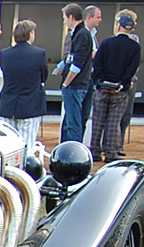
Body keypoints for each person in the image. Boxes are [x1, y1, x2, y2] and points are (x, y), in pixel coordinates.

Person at [88, 14, 141, 163]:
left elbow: (97, 63)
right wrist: (123, 83)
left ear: (119, 26)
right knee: (114, 121)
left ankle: (95, 151)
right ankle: (111, 152)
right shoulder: (134, 47)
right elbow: (132, 68)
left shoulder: (106, 43)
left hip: (103, 87)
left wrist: (101, 81)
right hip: (120, 89)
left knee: (98, 120)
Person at [0, 19, 48, 158]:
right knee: (27, 147)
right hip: (30, 105)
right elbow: (43, 77)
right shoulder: (39, 54)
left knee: (7, 148)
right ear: (30, 34)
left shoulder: (5, 53)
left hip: (7, 104)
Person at [57, 4, 93, 143]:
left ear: (71, 17)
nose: (64, 21)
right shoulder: (79, 33)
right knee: (70, 122)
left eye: (65, 18)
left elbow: (78, 63)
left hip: (75, 85)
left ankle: (73, 155)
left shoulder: (81, 34)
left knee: (73, 123)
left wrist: (66, 83)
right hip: (77, 85)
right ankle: (66, 148)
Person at [115, 9, 140, 157]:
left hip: (129, 80)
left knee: (126, 114)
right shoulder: (112, 39)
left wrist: (130, 78)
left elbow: (135, 63)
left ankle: (119, 144)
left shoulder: (134, 40)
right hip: (116, 79)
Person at [81, 5, 103, 126]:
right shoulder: (79, 33)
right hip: (80, 79)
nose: (100, 20)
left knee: (85, 114)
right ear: (89, 17)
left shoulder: (93, 34)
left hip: (90, 78)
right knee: (75, 117)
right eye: (98, 17)